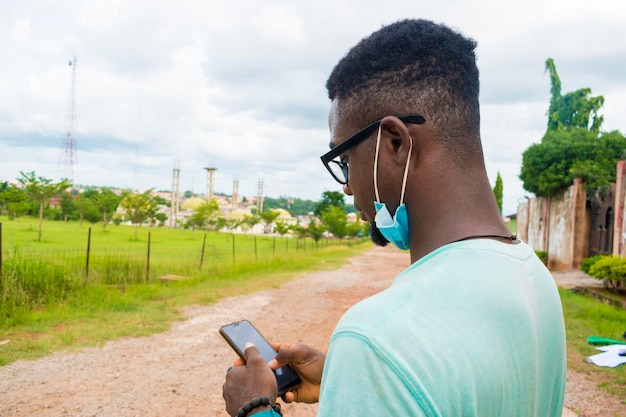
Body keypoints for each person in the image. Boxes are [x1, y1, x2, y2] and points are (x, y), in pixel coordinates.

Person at [223, 18, 566, 417]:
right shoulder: (533, 278)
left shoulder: (378, 340)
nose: (348, 187)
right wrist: (347, 379)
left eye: (345, 159)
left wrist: (256, 409)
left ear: (396, 142)